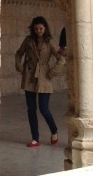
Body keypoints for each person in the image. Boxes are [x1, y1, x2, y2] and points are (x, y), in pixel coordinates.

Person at [15, 16, 64, 148]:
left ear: (45, 28)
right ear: (33, 29)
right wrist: (19, 65)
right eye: (36, 29)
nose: (38, 31)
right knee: (31, 109)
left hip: (44, 76)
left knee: (43, 108)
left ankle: (54, 131)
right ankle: (35, 138)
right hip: (30, 75)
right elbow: (19, 53)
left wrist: (52, 72)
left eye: (41, 28)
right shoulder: (28, 40)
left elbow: (61, 59)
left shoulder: (49, 42)